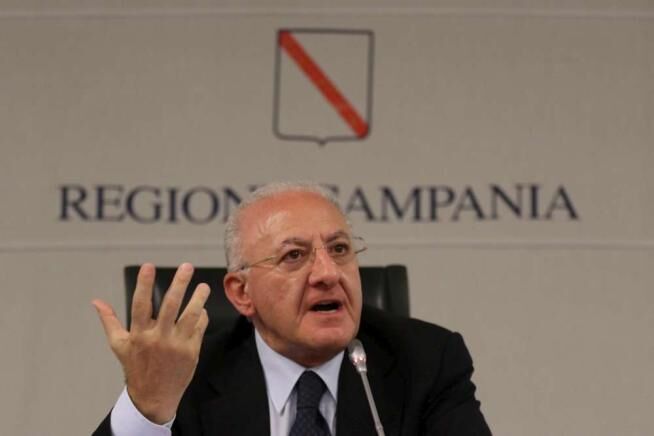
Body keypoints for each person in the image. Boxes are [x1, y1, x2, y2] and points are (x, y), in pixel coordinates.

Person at [92, 182, 492, 435]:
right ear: (241, 293)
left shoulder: (426, 361)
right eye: (294, 256)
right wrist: (148, 409)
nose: (328, 273)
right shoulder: (191, 376)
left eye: (339, 249)